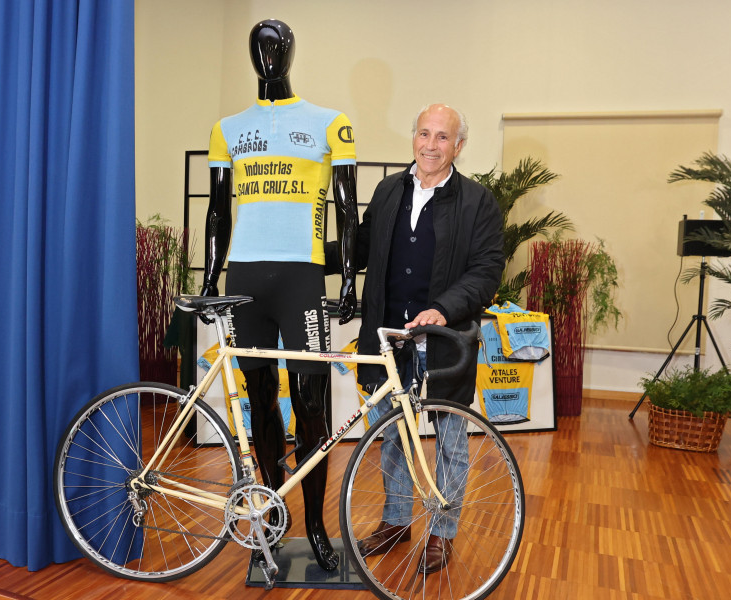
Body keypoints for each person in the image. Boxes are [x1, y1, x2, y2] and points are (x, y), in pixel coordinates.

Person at [200, 19, 358, 571]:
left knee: (312, 404)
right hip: (244, 279)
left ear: (291, 53)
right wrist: (209, 276)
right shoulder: (228, 128)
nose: (267, 58)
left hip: (302, 279)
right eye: (258, 50)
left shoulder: (329, 123)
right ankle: (271, 513)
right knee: (260, 397)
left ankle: (315, 523)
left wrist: (348, 282)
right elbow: (218, 209)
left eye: (275, 48)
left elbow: (345, 208)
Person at [328, 103, 504, 573]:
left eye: (442, 137)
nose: (431, 145)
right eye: (424, 134)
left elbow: (487, 271)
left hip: (445, 336)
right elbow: (360, 248)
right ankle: (396, 520)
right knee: (389, 432)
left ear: (459, 146)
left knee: (450, 438)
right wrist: (301, 261)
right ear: (413, 138)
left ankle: (443, 531)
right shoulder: (388, 191)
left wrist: (443, 307)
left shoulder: (478, 202)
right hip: (387, 334)